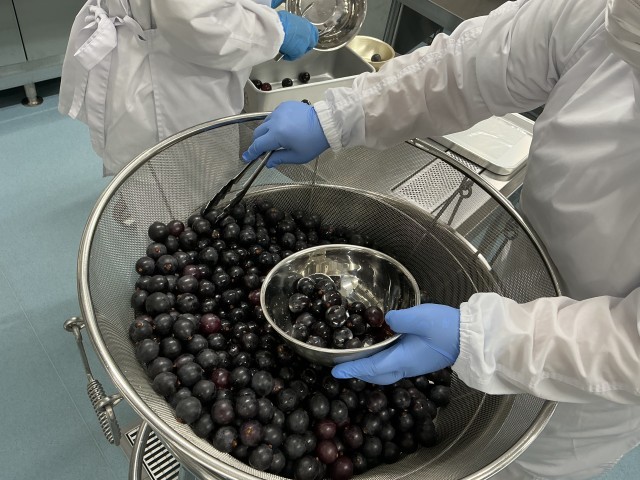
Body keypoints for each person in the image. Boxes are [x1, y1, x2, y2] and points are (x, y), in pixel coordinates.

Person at [242, 0, 640, 478]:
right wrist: (341, 115)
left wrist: (486, 340)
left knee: (525, 464)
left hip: (596, 383)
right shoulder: (605, 14)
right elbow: (478, 61)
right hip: (527, 273)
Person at [58, 0, 318, 175]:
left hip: (156, 48)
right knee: (186, 185)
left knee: (149, 170)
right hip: (175, 78)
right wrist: (276, 30)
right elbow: (195, 19)